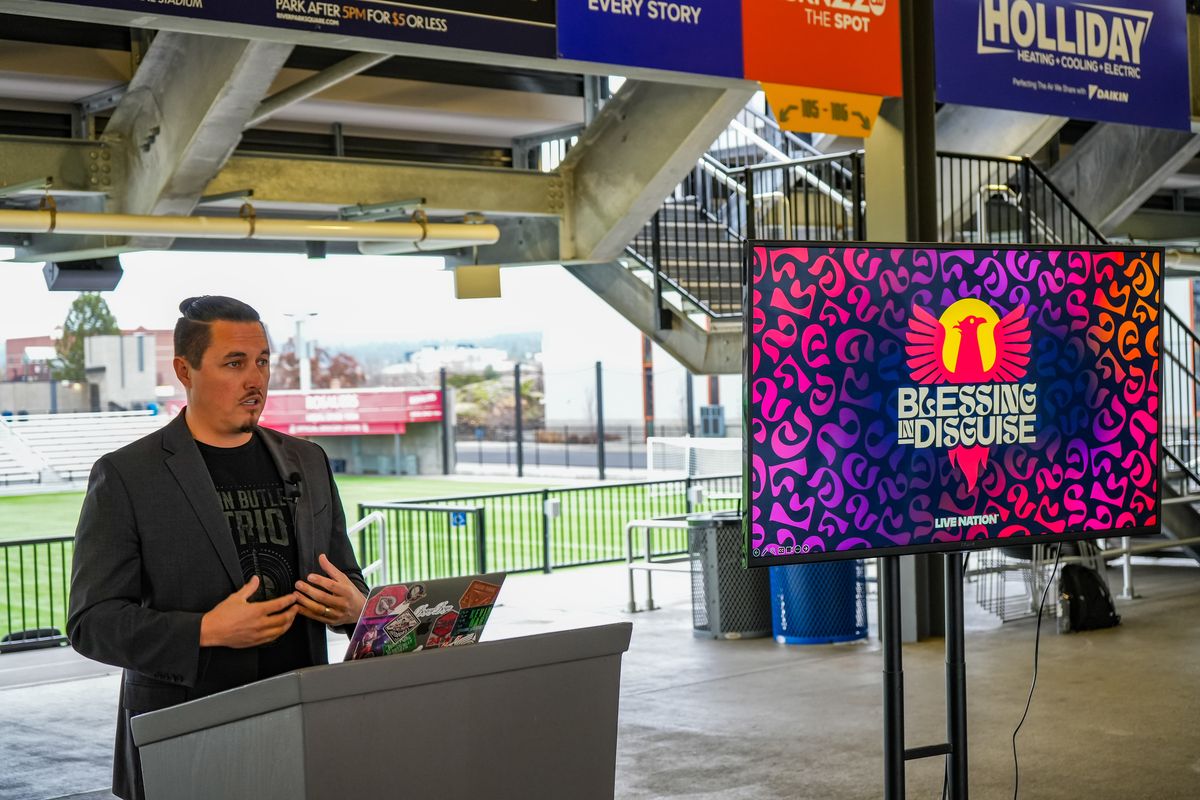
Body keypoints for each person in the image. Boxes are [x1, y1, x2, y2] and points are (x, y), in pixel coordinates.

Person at [67, 296, 368, 800]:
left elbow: (347, 579)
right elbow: (91, 623)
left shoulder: (309, 461)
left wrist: (356, 609)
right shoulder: (127, 475)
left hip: (302, 732)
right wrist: (206, 630)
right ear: (185, 370)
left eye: (263, 362)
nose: (256, 380)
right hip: (183, 737)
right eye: (235, 363)